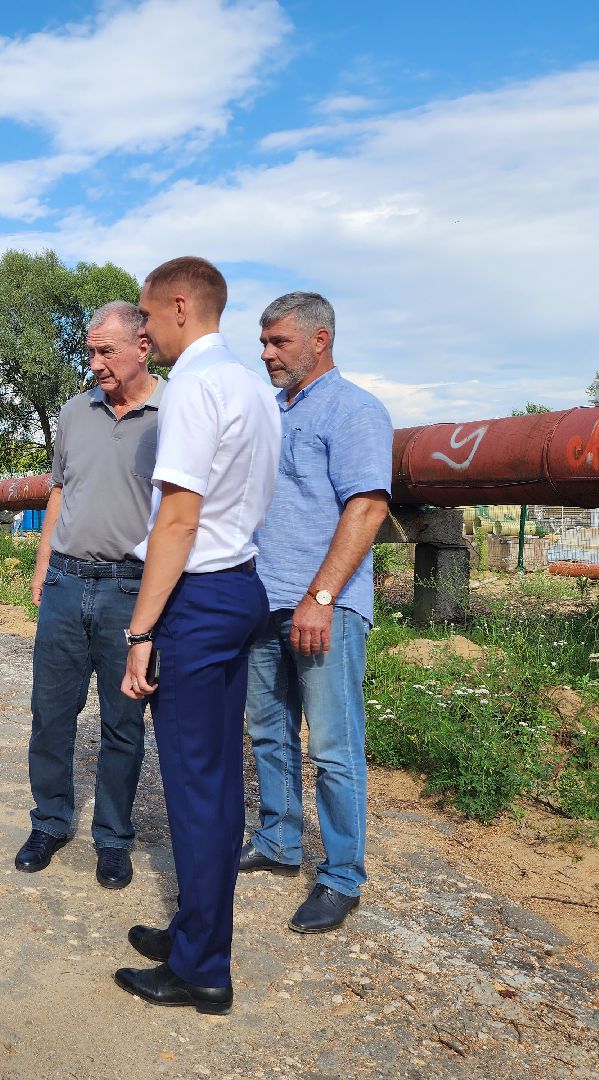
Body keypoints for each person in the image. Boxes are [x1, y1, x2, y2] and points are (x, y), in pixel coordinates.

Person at [115, 257, 280, 1014]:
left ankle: (203, 969)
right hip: (240, 582)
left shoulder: (192, 390)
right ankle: (194, 930)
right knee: (213, 779)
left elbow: (178, 520)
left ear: (180, 306)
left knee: (195, 788)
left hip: (195, 597)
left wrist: (142, 630)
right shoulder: (252, 383)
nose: (142, 330)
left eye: (146, 317)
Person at [242, 292, 392, 933]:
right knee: (269, 733)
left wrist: (321, 597)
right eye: (264, 342)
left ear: (320, 340)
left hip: (324, 607)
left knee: (332, 746)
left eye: (278, 342)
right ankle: (278, 840)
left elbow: (367, 509)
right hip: (264, 599)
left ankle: (341, 876)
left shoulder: (356, 411)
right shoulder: (274, 413)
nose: (266, 354)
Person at [16, 300, 163, 890]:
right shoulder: (75, 412)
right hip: (66, 581)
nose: (96, 362)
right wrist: (42, 563)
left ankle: (112, 838)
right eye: (92, 351)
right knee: (51, 714)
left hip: (131, 588)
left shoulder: (172, 412)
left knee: (124, 722)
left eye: (107, 351)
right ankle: (49, 821)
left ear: (142, 346)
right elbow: (58, 492)